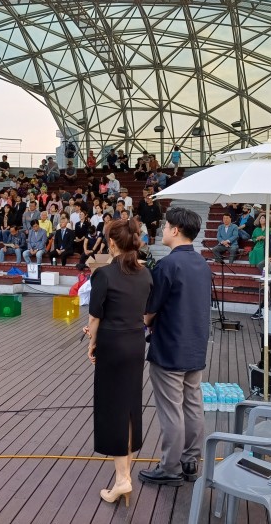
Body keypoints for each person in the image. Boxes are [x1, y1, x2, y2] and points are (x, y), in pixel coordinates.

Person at [139, 207, 211, 486]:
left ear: (176, 230)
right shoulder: (202, 263)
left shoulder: (168, 265)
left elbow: (150, 310)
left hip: (170, 347)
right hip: (195, 346)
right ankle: (190, 462)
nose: (163, 230)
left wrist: (144, 321)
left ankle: (170, 468)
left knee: (171, 410)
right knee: (193, 405)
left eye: (166, 226)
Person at [83, 219, 153, 506]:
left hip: (112, 346)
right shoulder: (146, 273)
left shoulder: (104, 274)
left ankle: (123, 479)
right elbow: (143, 311)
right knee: (130, 408)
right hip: (135, 343)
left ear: (111, 243)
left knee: (113, 410)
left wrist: (92, 341)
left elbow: (95, 316)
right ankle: (124, 476)